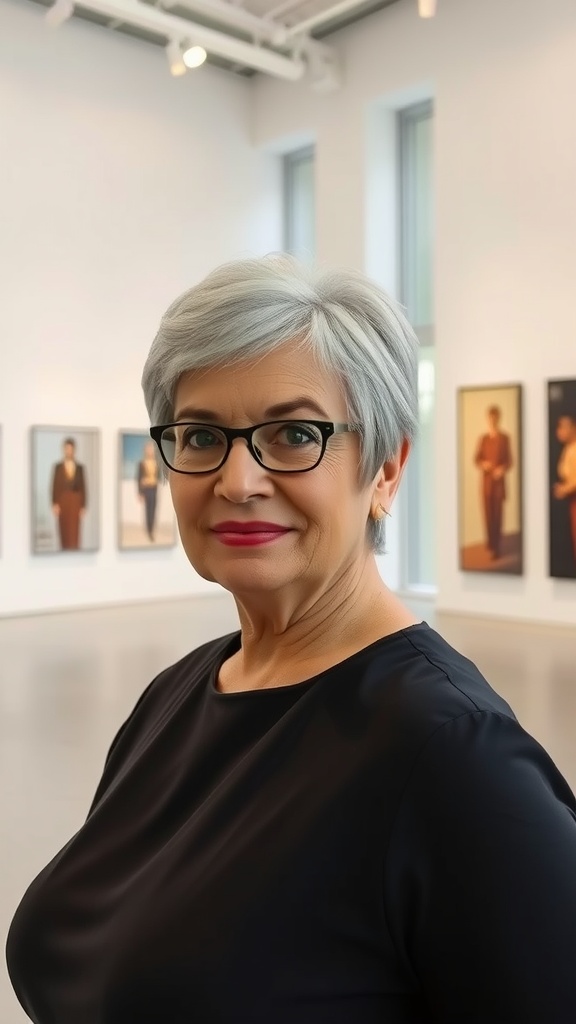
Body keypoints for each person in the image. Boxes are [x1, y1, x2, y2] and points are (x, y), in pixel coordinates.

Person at [6, 255, 576, 1023]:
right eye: (201, 435)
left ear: (385, 468)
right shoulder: (180, 692)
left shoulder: (452, 753)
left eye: (294, 433)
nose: (238, 480)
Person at [473, 404, 513, 559]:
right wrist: (484, 464)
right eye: (490, 418)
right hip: (486, 484)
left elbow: (510, 461)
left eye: (495, 418)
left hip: (499, 484)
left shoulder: (505, 438)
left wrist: (501, 469)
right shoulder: (483, 439)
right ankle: (490, 544)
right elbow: (477, 459)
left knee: (498, 515)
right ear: (488, 419)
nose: (493, 421)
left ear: (498, 418)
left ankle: (497, 547)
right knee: (488, 515)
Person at [50, 436, 87, 550]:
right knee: (63, 530)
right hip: (62, 502)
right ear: (64, 450)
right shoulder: (58, 467)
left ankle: (75, 555)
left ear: (74, 450)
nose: (69, 451)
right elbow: (54, 486)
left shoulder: (80, 468)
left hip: (76, 502)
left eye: (71, 449)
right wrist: (54, 503)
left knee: (75, 532)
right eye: (66, 449)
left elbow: (83, 487)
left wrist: (83, 506)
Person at [552, 412, 576, 567]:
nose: (560, 431)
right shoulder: (568, 448)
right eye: (558, 427)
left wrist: (565, 489)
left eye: (564, 426)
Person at [137, 440, 160, 542]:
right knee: (147, 510)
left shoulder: (156, 463)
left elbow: (158, 476)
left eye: (151, 449)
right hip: (146, 489)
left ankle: (151, 529)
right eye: (148, 449)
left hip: (154, 488)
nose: (150, 451)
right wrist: (140, 493)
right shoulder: (142, 463)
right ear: (145, 451)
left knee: (153, 509)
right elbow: (139, 478)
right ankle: (149, 531)